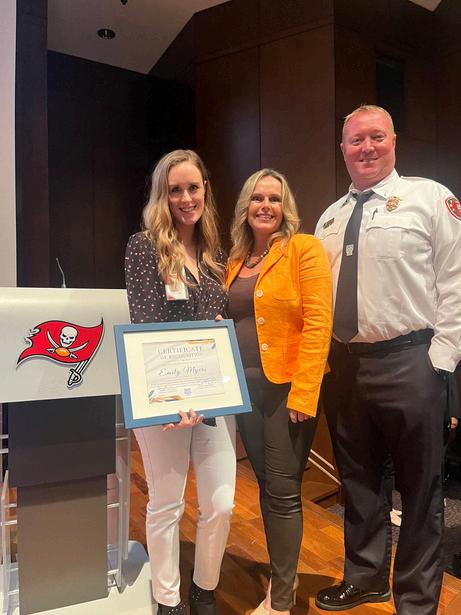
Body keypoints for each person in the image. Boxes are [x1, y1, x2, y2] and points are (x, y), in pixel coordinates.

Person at [314, 105, 461, 615]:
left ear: (394, 141)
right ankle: (366, 578)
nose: (366, 147)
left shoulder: (431, 198)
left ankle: (416, 601)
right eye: (355, 140)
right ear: (342, 149)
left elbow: (455, 281)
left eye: (376, 137)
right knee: (358, 481)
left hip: (410, 362)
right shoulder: (329, 217)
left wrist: (439, 361)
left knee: (420, 490)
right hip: (345, 367)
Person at [125, 149, 236, 615]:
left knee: (222, 503)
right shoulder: (144, 247)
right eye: (175, 190)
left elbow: (218, 323)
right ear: (162, 195)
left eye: (193, 188)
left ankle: (204, 589)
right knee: (167, 504)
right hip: (165, 400)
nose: (186, 198)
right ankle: (168, 599)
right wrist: (173, 401)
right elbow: (148, 326)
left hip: (212, 400)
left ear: (205, 189)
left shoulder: (215, 254)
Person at [226, 169, 332, 615]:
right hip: (244, 389)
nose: (265, 205)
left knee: (284, 491)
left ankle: (282, 600)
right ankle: (281, 576)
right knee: (267, 486)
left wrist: (305, 392)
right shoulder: (235, 259)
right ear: (245, 207)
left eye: (274, 198)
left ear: (285, 206)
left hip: (287, 389)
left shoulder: (303, 249)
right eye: (257, 198)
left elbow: (319, 322)